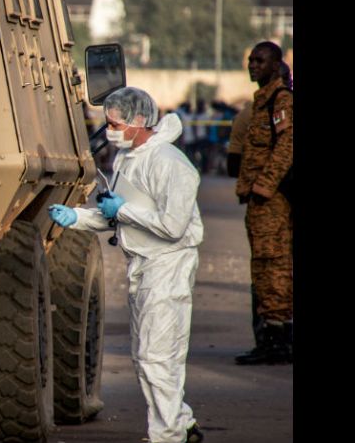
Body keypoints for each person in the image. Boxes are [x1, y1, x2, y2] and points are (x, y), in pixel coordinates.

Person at [49, 87, 204, 443]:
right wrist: (76, 216)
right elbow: (116, 216)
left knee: (157, 357)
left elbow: (172, 226)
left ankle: (168, 436)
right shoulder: (126, 159)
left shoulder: (170, 163)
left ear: (139, 121)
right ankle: (181, 423)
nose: (109, 130)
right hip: (143, 264)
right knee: (145, 356)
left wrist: (122, 210)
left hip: (168, 265)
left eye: (115, 124)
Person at [233, 42, 293, 365]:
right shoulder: (261, 103)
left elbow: (287, 147)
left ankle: (279, 340)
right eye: (251, 60)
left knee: (274, 267)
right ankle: (270, 338)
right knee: (262, 267)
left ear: (275, 65)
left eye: (260, 60)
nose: (253, 65)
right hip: (258, 201)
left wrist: (264, 186)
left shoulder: (281, 100)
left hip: (272, 201)